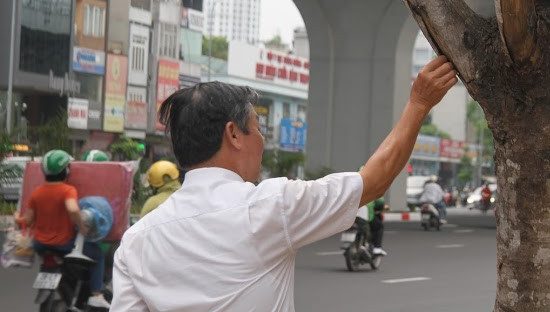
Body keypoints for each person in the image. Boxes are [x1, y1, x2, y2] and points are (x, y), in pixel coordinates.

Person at [110, 55, 457, 311]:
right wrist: (419, 103)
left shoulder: (137, 240)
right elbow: (374, 181)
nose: (262, 141)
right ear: (233, 134)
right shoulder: (269, 206)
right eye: (258, 128)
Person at [15, 150, 110, 309]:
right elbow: (72, 209)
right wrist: (82, 226)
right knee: (99, 256)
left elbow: (29, 220)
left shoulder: (37, 192)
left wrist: (17, 218)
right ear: (65, 171)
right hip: (63, 245)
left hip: (39, 246)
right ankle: (96, 294)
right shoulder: (67, 190)